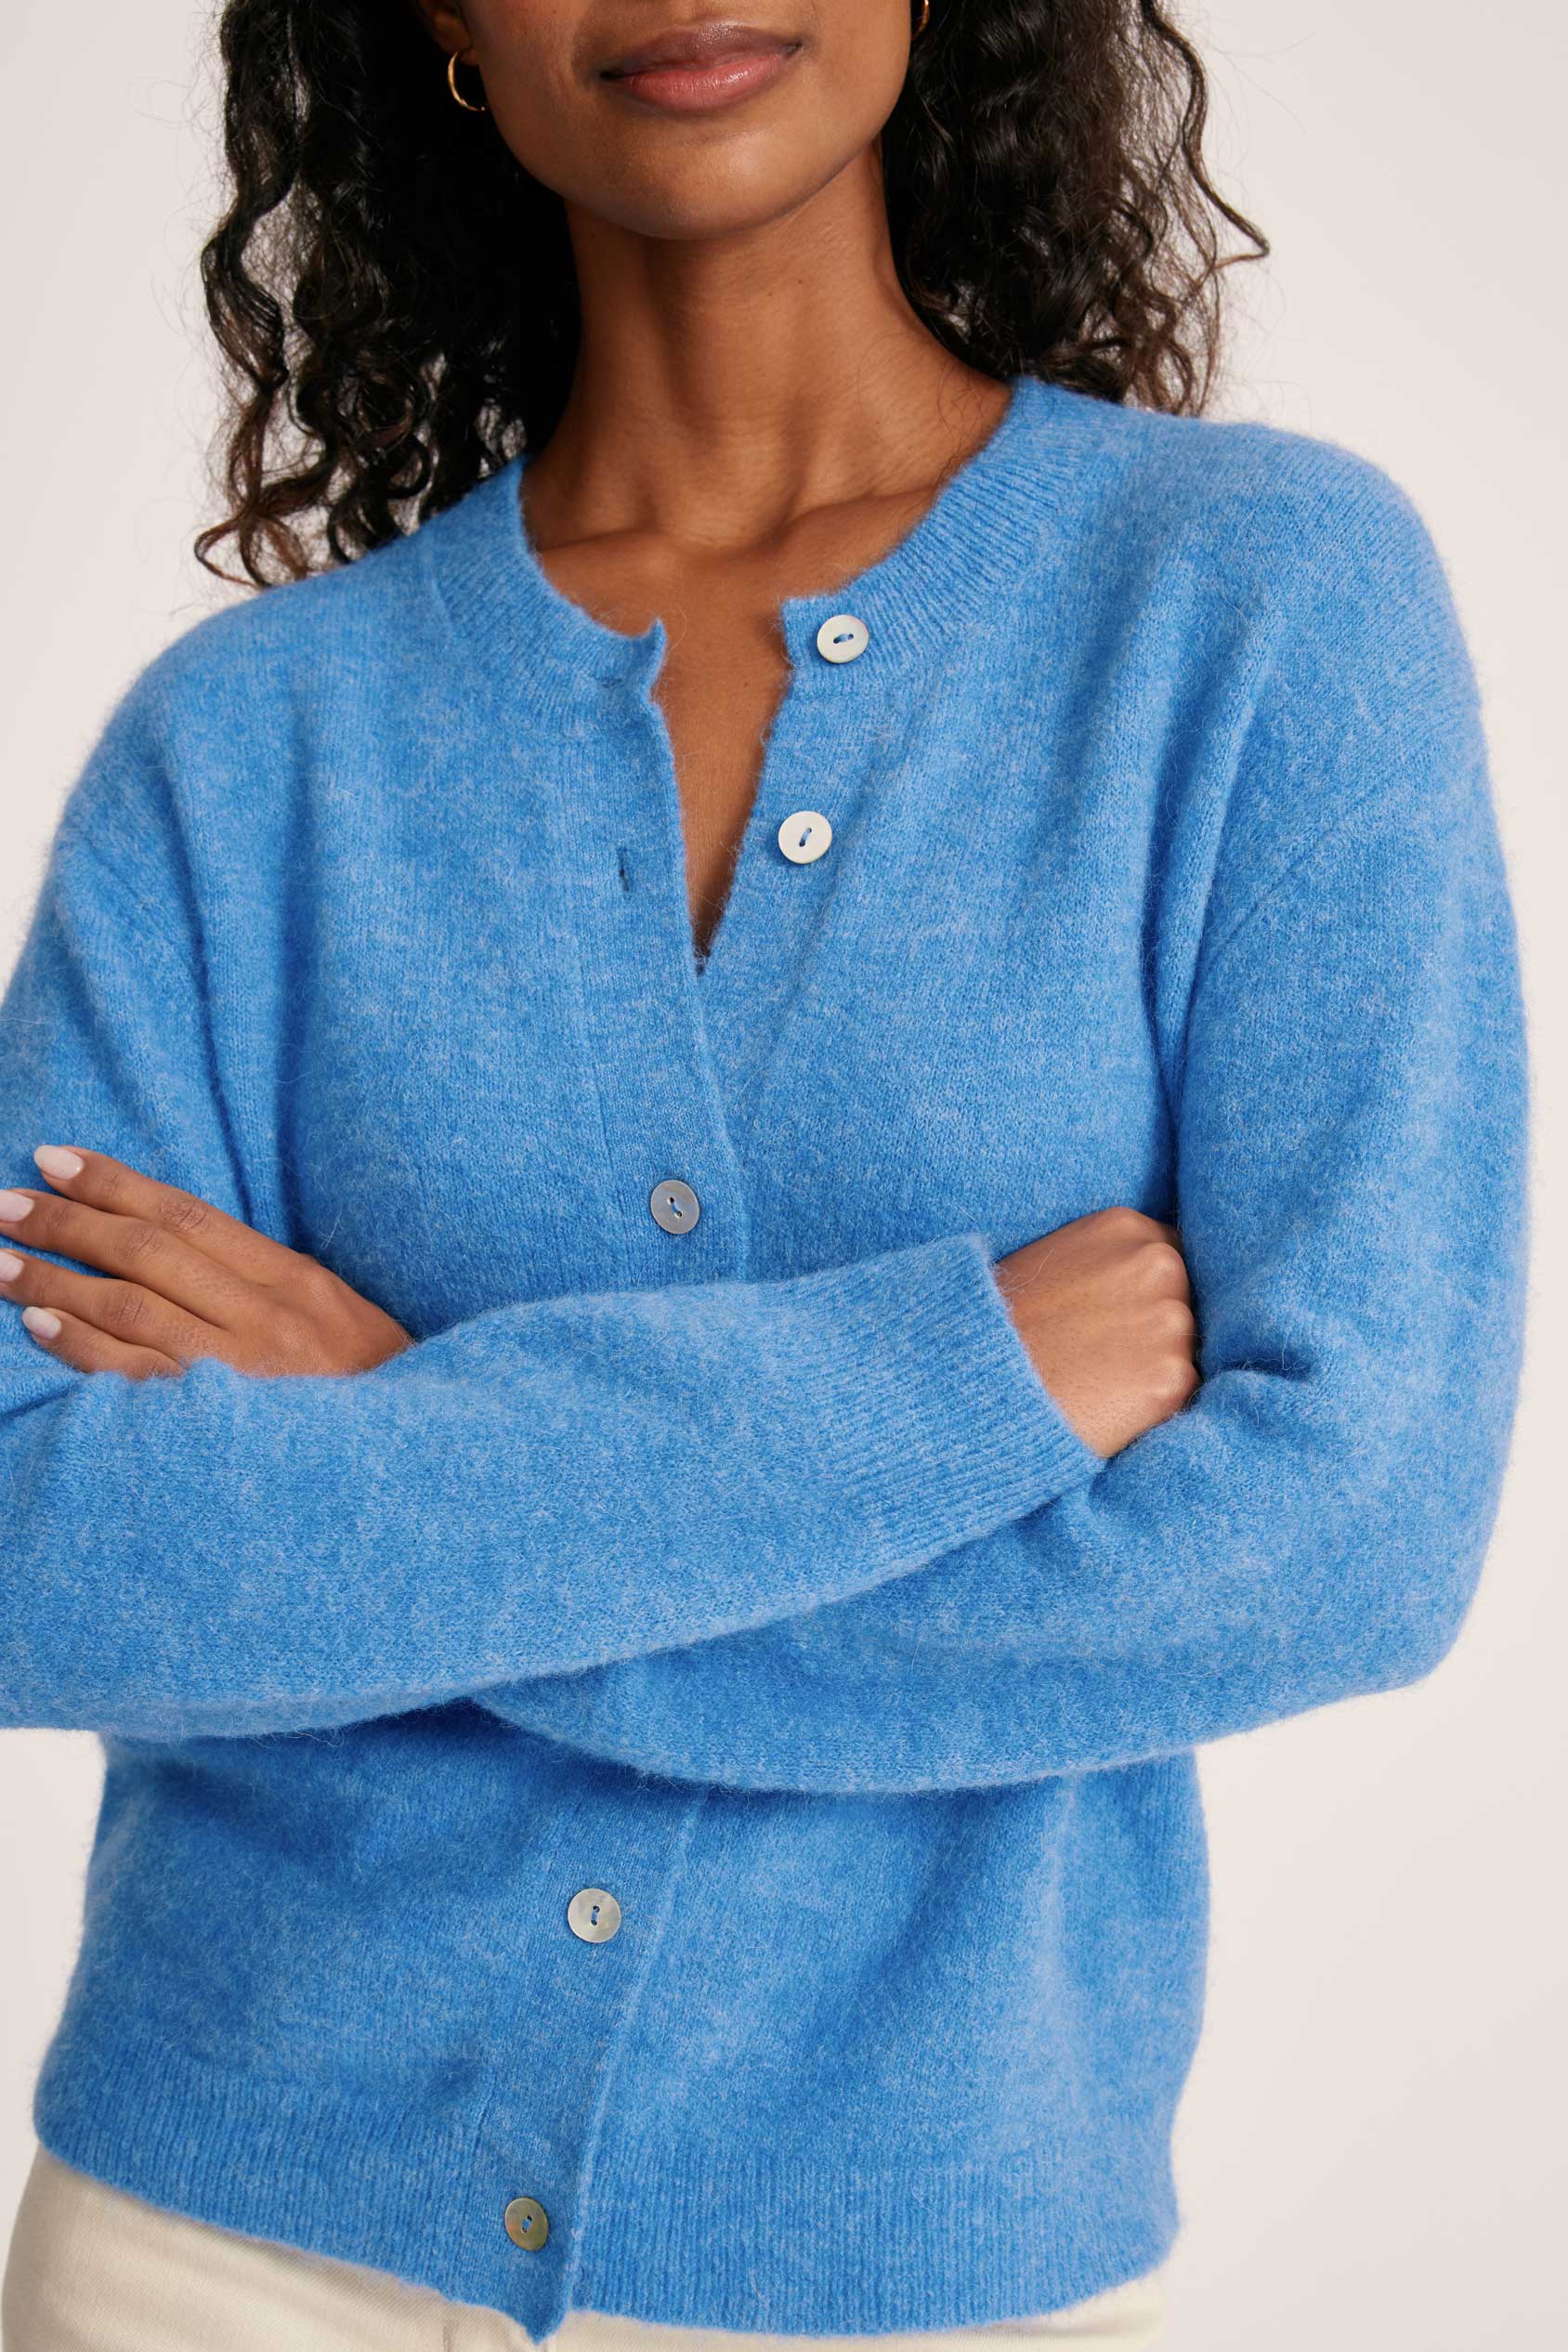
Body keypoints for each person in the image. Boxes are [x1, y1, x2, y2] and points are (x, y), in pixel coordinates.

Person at [0, 3, 1529, 2348]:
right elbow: (41, 1554)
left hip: (913, 2277)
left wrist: (403, 1424)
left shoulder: (1246, 611)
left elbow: (1345, 1536)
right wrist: (942, 1392)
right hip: (219, 2254)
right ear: (437, 25)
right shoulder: (251, 748)